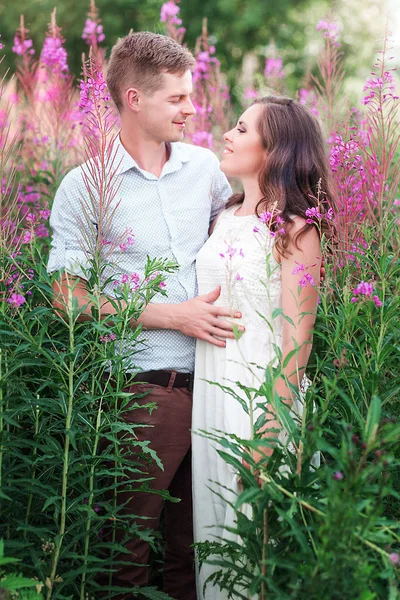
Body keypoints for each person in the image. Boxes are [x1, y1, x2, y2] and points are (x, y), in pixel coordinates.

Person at [48, 32, 240, 600]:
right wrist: (169, 316)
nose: (192, 108)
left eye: (190, 95)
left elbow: (233, 244)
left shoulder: (206, 169)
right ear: (134, 99)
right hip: (144, 391)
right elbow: (67, 297)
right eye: (177, 99)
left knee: (197, 553)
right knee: (126, 553)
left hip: (218, 385)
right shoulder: (84, 188)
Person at [191, 96, 335, 599]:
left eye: (241, 128)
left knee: (260, 549)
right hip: (211, 396)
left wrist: (270, 429)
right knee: (217, 541)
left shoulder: (297, 231)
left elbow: (299, 340)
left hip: (263, 402)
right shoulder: (223, 218)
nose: (227, 134)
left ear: (273, 150)